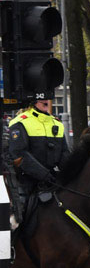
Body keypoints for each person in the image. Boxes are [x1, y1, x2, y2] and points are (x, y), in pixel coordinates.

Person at [5, 91, 69, 228]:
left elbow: (64, 155)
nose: (46, 100)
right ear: (33, 101)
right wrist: (43, 174)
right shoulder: (20, 122)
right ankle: (10, 247)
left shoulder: (57, 124)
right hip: (26, 181)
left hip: (52, 181)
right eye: (42, 98)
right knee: (15, 219)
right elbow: (19, 154)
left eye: (47, 98)